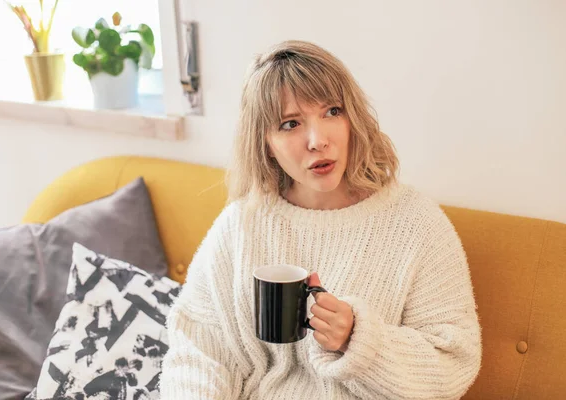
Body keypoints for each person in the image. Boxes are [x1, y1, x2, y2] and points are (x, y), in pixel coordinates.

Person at [160, 40, 482, 400]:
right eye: (291, 123)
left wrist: (359, 341)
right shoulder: (242, 222)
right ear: (266, 142)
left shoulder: (416, 223)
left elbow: (453, 362)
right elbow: (197, 349)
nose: (318, 141)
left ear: (352, 118)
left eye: (332, 112)